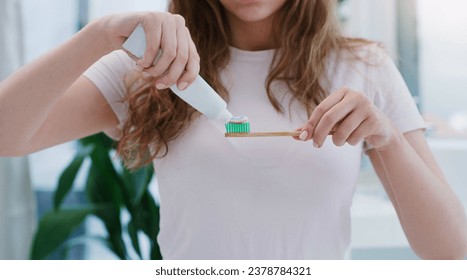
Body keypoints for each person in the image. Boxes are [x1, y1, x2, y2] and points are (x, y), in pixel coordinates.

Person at [0, 0, 466, 260]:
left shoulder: (365, 66)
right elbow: (8, 134)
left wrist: (387, 139)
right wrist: (100, 34)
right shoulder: (151, 71)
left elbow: (453, 253)